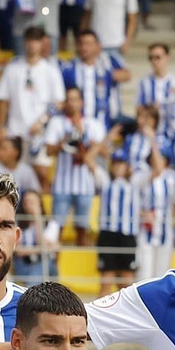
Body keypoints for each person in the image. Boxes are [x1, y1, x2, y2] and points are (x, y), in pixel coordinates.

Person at [0, 26, 65, 169]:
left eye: (37, 40)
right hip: (15, 130)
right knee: (12, 175)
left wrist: (42, 121)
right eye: (30, 40)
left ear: (42, 43)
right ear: (25, 42)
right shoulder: (12, 68)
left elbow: (59, 102)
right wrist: (2, 126)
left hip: (40, 132)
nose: (33, 45)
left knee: (41, 173)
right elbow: (3, 100)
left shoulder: (50, 70)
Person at [45, 86, 107, 245]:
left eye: (75, 99)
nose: (71, 104)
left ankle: (80, 265)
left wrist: (86, 141)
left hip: (85, 184)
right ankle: (54, 266)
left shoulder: (92, 124)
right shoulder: (57, 123)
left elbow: (105, 152)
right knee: (56, 229)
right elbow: (48, 151)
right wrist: (64, 141)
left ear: (82, 102)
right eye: (68, 100)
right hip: (62, 184)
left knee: (82, 229)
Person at [97, 152, 138, 294]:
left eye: (122, 163)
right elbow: (89, 160)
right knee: (106, 278)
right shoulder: (104, 181)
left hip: (127, 233)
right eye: (116, 163)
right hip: (108, 233)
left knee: (127, 281)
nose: (118, 166)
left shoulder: (135, 183)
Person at [136, 146, 175, 281]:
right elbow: (134, 201)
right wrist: (143, 214)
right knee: (144, 273)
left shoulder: (172, 178)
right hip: (145, 229)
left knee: (163, 274)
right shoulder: (143, 175)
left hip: (165, 230)